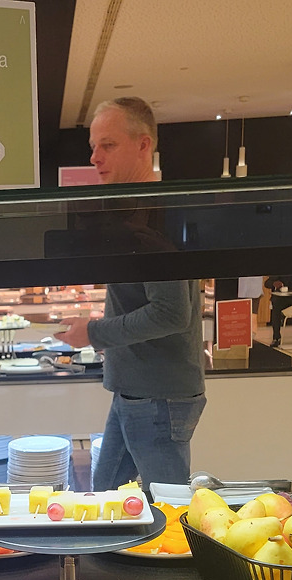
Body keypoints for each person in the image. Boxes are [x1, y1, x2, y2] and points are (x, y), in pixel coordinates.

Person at [55, 97, 206, 489]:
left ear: (143, 145)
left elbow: (171, 313)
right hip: (137, 390)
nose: (94, 157)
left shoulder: (155, 220)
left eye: (108, 145)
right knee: (104, 501)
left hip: (157, 397)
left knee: (168, 508)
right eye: (93, 146)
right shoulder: (139, 214)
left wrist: (93, 333)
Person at [264, 275, 292, 348]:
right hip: (282, 300)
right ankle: (276, 337)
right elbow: (267, 283)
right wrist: (274, 283)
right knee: (276, 305)